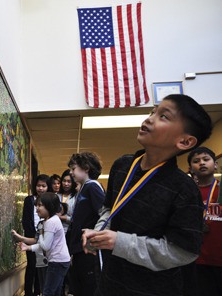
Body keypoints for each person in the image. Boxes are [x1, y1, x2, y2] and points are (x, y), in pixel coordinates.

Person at [82, 94, 213, 296]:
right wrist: (99, 231)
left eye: (164, 116)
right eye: (153, 111)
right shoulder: (122, 165)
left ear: (185, 141)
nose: (149, 118)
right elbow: (109, 208)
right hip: (110, 281)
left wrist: (119, 242)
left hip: (153, 289)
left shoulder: (184, 189)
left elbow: (183, 252)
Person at [14, 192, 71, 296]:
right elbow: (45, 245)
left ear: (49, 206)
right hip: (62, 260)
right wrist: (28, 247)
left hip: (57, 262)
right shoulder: (52, 220)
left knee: (48, 292)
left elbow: (45, 246)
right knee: (55, 292)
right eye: (36, 205)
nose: (37, 209)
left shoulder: (50, 222)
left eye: (40, 205)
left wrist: (40, 233)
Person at [67, 152, 105, 296]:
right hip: (79, 248)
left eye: (73, 168)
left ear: (86, 168)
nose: (71, 173)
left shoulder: (93, 187)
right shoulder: (83, 188)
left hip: (88, 248)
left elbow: (104, 214)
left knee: (89, 288)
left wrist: (93, 235)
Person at [187, 146, 221, 295]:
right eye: (196, 161)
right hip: (195, 260)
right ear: (190, 169)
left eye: (206, 159)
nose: (201, 163)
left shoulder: (221, 190)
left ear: (215, 165)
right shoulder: (186, 193)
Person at [22, 174, 51, 296]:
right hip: (31, 238)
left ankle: (39, 292)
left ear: (47, 187)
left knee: (42, 266)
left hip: (45, 238)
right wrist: (33, 237)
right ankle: (28, 292)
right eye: (38, 185)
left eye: (43, 186)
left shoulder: (49, 201)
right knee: (31, 265)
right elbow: (26, 220)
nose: (41, 188)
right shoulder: (29, 200)